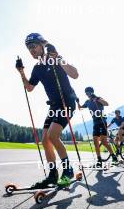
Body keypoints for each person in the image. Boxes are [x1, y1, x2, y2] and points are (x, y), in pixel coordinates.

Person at [15, 33, 79, 188]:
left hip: (67, 102)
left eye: (34, 46)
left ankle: (68, 170)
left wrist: (58, 58)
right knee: (44, 139)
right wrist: (21, 72)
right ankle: (52, 175)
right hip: (54, 106)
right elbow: (29, 88)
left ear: (42, 45)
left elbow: (75, 74)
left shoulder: (56, 59)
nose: (31, 50)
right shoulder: (37, 69)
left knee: (52, 135)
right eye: (29, 48)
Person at [77, 87, 118, 167]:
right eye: (86, 93)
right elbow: (80, 108)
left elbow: (106, 104)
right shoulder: (87, 102)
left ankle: (114, 156)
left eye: (88, 93)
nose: (87, 94)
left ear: (92, 92)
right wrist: (77, 102)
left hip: (102, 121)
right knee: (95, 142)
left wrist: (97, 99)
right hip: (95, 123)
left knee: (103, 142)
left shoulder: (98, 98)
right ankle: (99, 160)